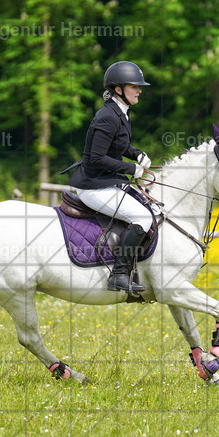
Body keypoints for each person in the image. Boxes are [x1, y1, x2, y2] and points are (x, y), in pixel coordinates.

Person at [68, 61, 155, 293]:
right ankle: (118, 275)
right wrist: (131, 169)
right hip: (93, 187)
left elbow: (120, 145)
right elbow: (95, 159)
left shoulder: (120, 113)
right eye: (134, 86)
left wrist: (137, 154)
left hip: (105, 183)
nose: (139, 90)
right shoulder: (108, 116)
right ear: (118, 89)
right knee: (143, 218)